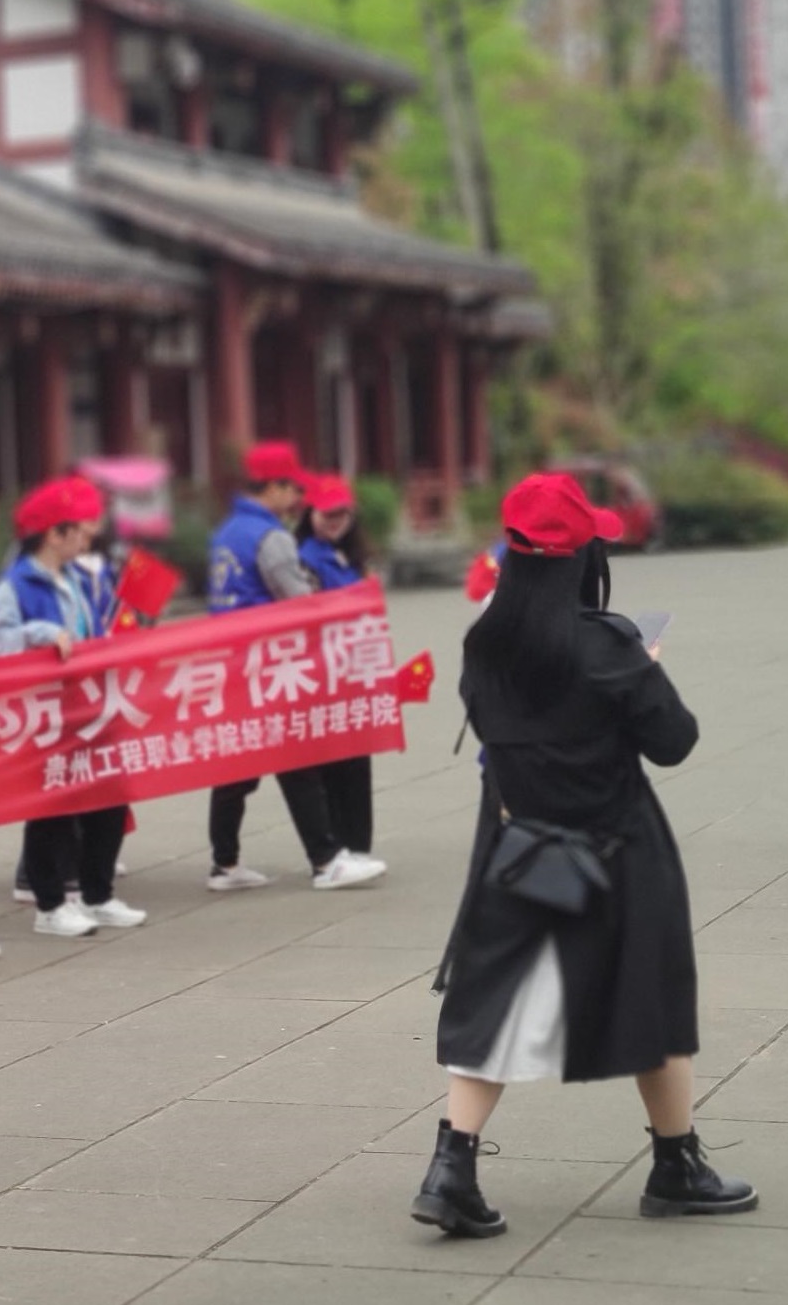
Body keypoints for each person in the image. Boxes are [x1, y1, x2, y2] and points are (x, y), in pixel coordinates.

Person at [415, 472, 754, 1238]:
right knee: (652, 996)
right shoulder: (605, 645)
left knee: (492, 1001)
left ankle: (450, 1168)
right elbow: (673, 741)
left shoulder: (484, 644)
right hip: (617, 851)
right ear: (579, 558)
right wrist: (645, 664)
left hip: (519, 848)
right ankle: (675, 1163)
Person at [202, 442, 385, 893]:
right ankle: (326, 861)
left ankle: (224, 863)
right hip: (269, 663)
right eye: (293, 488)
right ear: (276, 487)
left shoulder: (228, 532)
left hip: (233, 662)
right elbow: (299, 602)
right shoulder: (272, 537)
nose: (298, 499)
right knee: (297, 759)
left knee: (238, 767)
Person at [0, 479, 148, 938]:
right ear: (53, 534)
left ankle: (98, 894)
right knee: (54, 806)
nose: (87, 538)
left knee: (109, 796)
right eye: (78, 530)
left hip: (92, 705)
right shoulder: (16, 585)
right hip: (49, 711)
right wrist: (40, 633)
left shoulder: (80, 578)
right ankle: (51, 903)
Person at [297, 475, 377, 861]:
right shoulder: (304, 558)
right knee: (332, 763)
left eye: (341, 513)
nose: (334, 520)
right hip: (322, 672)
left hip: (354, 669)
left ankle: (358, 843)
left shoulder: (351, 556)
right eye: (327, 513)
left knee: (356, 761)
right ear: (309, 512)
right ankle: (339, 845)